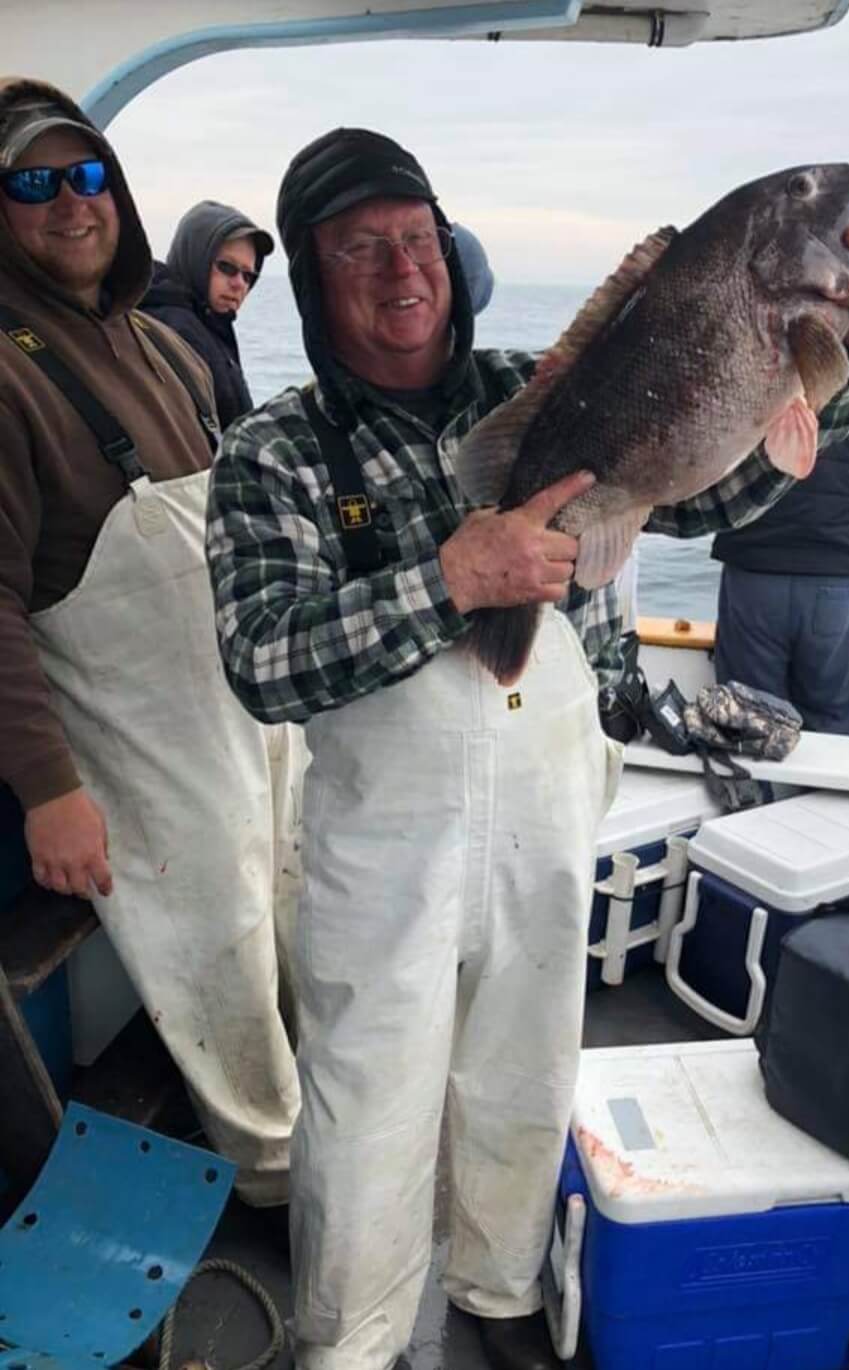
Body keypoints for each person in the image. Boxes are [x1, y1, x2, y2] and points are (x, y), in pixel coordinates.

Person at [204, 127, 849, 1370]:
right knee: (367, 1101)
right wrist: (447, 579)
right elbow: (262, 661)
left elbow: (713, 491)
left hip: (547, 802)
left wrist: (842, 350)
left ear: (452, 252)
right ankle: (352, 1337)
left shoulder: (539, 391)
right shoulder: (276, 452)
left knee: (528, 1069)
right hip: (385, 845)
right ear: (312, 281)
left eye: (416, 236)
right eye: (358, 248)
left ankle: (496, 1288)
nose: (399, 267)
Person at [0, 77, 303, 1207]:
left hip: (236, 709)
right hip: (131, 745)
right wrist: (49, 791)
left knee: (290, 890)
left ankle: (320, 1117)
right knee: (218, 926)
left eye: (87, 175)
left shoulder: (160, 348)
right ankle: (275, 1180)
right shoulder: (7, 373)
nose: (71, 202)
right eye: (33, 182)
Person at [711, 372, 849, 734]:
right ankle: (820, 790)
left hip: (753, 579)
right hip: (837, 588)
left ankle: (761, 791)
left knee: (749, 721)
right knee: (832, 722)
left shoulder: (750, 385)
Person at [141, 199, 274, 429]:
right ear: (196, 257)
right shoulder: (177, 329)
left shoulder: (209, 324)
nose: (239, 284)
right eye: (227, 267)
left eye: (248, 276)